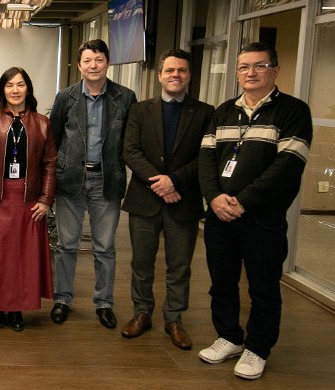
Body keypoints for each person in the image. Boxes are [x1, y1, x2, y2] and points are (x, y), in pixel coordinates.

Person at [197, 42, 312, 380]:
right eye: (244, 67)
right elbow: (205, 159)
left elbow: (287, 166)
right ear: (236, 72)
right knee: (222, 282)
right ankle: (229, 336)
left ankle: (258, 347)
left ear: (274, 70)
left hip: (262, 219)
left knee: (263, 287)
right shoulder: (223, 111)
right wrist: (215, 198)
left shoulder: (292, 111)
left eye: (259, 66)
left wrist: (243, 201)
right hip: (219, 217)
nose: (250, 73)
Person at [120, 49, 214, 349]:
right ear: (159, 75)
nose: (176, 75)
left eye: (182, 70)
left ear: (189, 75)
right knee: (141, 263)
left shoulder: (204, 113)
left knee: (180, 266)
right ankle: (141, 313)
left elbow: (206, 157)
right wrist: (160, 183)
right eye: (170, 70)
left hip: (182, 200)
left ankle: (174, 319)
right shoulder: (139, 110)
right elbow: (130, 151)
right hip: (144, 200)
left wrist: (175, 180)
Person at [49, 39, 136, 329]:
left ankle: (104, 303)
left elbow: (129, 142)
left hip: (106, 180)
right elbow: (54, 140)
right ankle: (62, 299)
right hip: (70, 180)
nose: (93, 65)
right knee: (66, 246)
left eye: (98, 59)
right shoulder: (66, 97)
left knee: (104, 248)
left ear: (107, 63)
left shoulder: (125, 97)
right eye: (87, 60)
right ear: (79, 65)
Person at [0, 67, 56, 332]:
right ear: (2, 90)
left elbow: (51, 163)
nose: (15, 90)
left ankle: (17, 308)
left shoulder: (42, 122)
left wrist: (45, 199)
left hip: (29, 200)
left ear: (28, 89)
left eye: (20, 85)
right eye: (9, 85)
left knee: (23, 256)